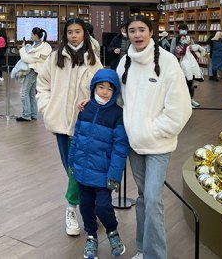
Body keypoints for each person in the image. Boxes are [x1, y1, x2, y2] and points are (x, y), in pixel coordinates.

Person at [117, 15, 192, 259]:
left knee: (152, 199)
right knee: (142, 197)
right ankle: (142, 249)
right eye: (132, 30)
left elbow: (181, 108)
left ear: (151, 32)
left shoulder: (168, 62)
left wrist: (154, 130)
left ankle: (156, 255)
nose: (137, 35)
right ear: (126, 33)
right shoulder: (125, 62)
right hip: (134, 144)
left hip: (159, 144)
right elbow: (119, 99)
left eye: (141, 30)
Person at [36, 18, 102, 237]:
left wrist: (93, 106)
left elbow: (102, 88)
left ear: (85, 33)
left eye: (78, 31)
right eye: (70, 32)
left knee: (77, 168)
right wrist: (47, 108)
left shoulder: (93, 59)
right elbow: (42, 85)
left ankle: (72, 208)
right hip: (60, 123)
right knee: (71, 167)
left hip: (85, 124)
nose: (74, 36)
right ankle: (89, 207)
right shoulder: (55, 58)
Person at [69, 69, 129, 258]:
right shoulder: (85, 109)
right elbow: (77, 136)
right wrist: (72, 161)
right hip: (82, 170)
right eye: (101, 87)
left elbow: (120, 148)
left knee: (102, 206)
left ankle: (112, 232)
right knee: (86, 206)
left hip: (103, 173)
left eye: (109, 89)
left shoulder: (117, 115)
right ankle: (91, 238)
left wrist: (114, 175)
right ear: (94, 87)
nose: (104, 91)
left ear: (115, 91)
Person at [16, 27, 52, 122]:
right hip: (37, 71)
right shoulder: (43, 46)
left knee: (24, 93)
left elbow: (26, 59)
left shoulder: (37, 48)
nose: (31, 37)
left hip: (32, 71)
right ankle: (33, 114)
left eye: (32, 34)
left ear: (36, 35)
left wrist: (23, 49)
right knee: (31, 93)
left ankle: (26, 115)